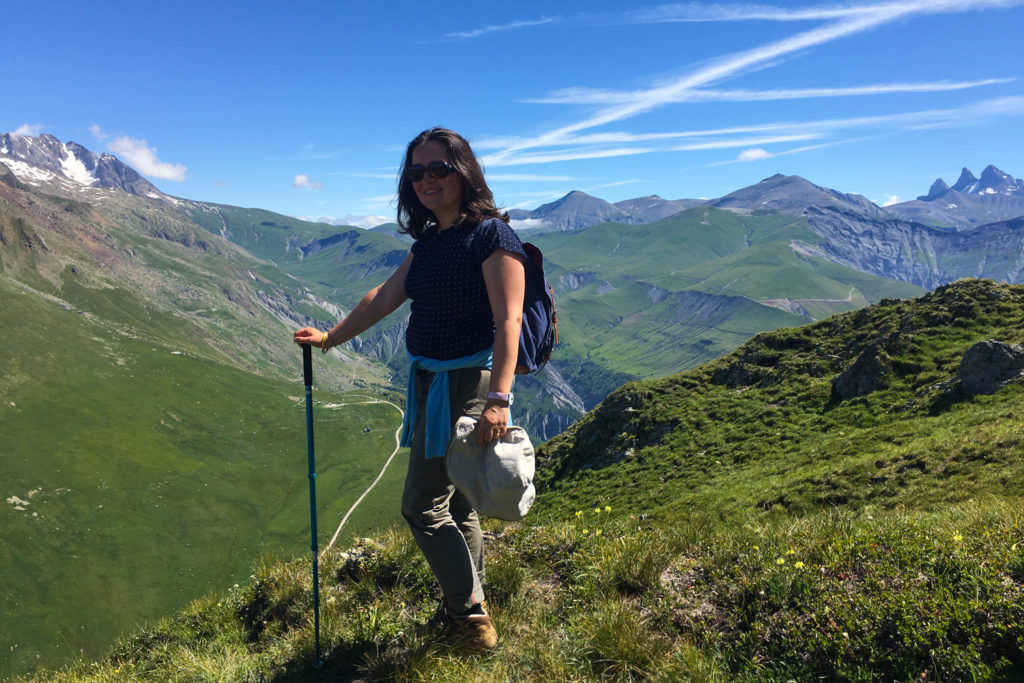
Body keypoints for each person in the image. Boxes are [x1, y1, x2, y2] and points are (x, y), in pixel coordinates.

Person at [293, 127, 526, 652]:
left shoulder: (493, 236)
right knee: (459, 503)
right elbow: (384, 298)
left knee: (423, 506)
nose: (426, 180)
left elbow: (508, 320)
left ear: (464, 172)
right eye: (416, 172)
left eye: (438, 169)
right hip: (429, 382)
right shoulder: (432, 242)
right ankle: (470, 604)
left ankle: (469, 620)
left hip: (467, 386)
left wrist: (498, 401)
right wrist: (330, 337)